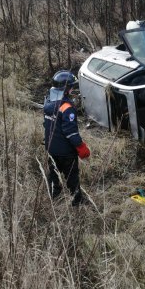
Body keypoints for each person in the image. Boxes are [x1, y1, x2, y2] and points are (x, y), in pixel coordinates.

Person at [43, 70, 91, 206]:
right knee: (72, 176)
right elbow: (71, 132)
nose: (72, 90)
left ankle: (54, 195)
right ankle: (77, 201)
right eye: (71, 87)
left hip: (51, 147)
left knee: (53, 174)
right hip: (66, 152)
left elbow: (47, 125)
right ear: (66, 89)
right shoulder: (67, 107)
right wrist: (81, 147)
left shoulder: (48, 99)